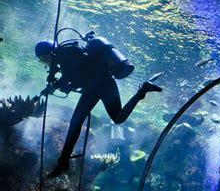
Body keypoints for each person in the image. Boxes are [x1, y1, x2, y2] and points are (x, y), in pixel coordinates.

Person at [35, 38, 163, 178]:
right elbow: (73, 76)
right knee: (116, 118)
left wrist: (56, 85)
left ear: (49, 53)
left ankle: (63, 163)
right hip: (103, 83)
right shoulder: (67, 53)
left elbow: (72, 79)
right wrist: (57, 84)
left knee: (77, 123)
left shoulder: (65, 54)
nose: (45, 63)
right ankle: (142, 90)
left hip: (97, 86)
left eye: (43, 59)